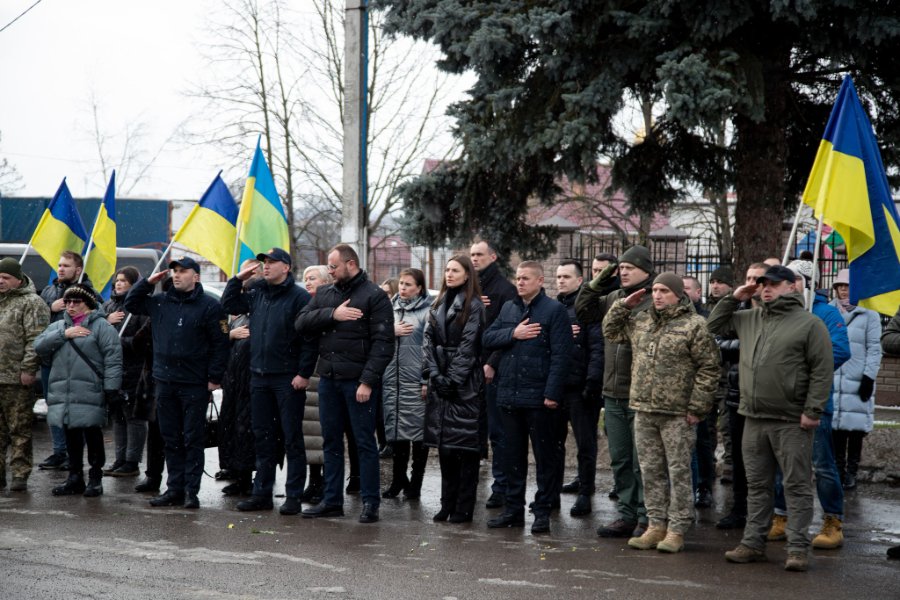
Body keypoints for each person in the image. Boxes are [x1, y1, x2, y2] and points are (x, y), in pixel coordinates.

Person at [709, 265, 833, 572]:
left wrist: (813, 410)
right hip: (754, 417)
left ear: (792, 286)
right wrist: (735, 297)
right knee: (757, 485)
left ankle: (797, 548)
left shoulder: (810, 324)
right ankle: (753, 543)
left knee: (796, 486)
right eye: (763, 283)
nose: (766, 288)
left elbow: (821, 370)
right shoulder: (750, 318)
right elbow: (713, 325)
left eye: (774, 284)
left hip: (791, 419)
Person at [604, 272, 719, 553]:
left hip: (677, 413)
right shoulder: (642, 321)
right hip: (644, 409)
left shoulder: (694, 325)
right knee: (650, 471)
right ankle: (655, 524)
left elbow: (709, 368)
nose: (657, 295)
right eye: (655, 290)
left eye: (664, 291)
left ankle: (677, 528)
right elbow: (610, 331)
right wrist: (623, 305)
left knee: (678, 471)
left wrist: (697, 407)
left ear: (678, 295)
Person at [295, 244, 394, 523]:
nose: (330, 271)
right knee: (331, 443)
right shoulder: (325, 294)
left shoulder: (374, 296)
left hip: (358, 383)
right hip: (329, 380)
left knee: (364, 443)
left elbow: (383, 344)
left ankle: (370, 503)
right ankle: (332, 501)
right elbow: (301, 322)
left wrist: (368, 381)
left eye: (334, 266)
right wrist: (332, 315)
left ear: (351, 264)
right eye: (328, 266)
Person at [125, 256, 229, 509]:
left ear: (196, 276)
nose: (177, 275)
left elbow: (220, 344)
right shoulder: (160, 302)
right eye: (175, 271)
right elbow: (131, 303)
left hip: (194, 383)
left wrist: (214, 378)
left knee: (192, 439)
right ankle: (174, 489)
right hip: (165, 382)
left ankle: (191, 491)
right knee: (170, 438)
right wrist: (147, 283)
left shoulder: (210, 306)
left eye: (183, 271)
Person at [223, 248, 317, 515]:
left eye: (272, 262)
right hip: (259, 376)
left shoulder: (299, 297)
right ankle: (262, 493)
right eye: (264, 262)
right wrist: (237, 279)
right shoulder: (257, 292)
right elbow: (230, 305)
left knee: (291, 438)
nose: (266, 265)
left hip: (287, 379)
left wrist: (303, 373)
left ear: (286, 267)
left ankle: (293, 496)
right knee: (262, 437)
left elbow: (309, 339)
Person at [764, 260, 850, 551]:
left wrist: (799, 368)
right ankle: (781, 515)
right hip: (781, 401)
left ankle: (832, 520)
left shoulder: (825, 313)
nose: (788, 285)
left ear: (807, 283)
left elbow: (840, 350)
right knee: (781, 463)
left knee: (821, 465)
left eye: (795, 279)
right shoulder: (776, 312)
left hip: (813, 402)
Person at [484, 261, 574, 534]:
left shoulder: (554, 310)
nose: (520, 282)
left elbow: (561, 355)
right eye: (518, 278)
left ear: (540, 281)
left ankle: (543, 511)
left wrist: (552, 393)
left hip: (539, 398)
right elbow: (488, 338)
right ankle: (513, 510)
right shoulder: (509, 308)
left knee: (545, 458)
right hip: (509, 395)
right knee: (512, 457)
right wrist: (513, 333)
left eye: (525, 278)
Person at [575, 245, 655, 538]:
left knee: (641, 460)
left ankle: (647, 516)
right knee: (620, 459)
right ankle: (627, 514)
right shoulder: (614, 297)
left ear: (645, 270)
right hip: (613, 391)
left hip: (640, 393)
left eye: (629, 268)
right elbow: (583, 310)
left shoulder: (655, 299)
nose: (623, 273)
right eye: (620, 268)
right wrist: (599, 279)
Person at [34, 284, 122, 497]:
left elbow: (113, 360)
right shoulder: (59, 326)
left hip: (90, 390)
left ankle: (95, 478)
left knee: (92, 434)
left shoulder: (102, 327)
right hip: (64, 391)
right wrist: (64, 334)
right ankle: (74, 478)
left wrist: (111, 389)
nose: (70, 306)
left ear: (88, 304)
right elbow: (39, 346)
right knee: (71, 436)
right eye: (67, 301)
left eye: (76, 302)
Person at [423, 255, 486, 523]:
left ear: (467, 274)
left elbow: (469, 346)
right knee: (445, 447)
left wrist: (452, 379)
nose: (449, 274)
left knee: (465, 448)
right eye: (447, 269)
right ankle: (446, 503)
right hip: (441, 379)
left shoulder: (474, 305)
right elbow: (427, 340)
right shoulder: (438, 302)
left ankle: (463, 506)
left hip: (465, 384)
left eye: (455, 270)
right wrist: (436, 375)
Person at [715, 262, 767, 530]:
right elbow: (713, 333)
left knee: (763, 460)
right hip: (737, 393)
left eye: (758, 279)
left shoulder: (774, 314)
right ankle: (739, 509)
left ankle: (767, 514)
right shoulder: (739, 312)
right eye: (748, 277)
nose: (752, 283)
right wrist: (733, 299)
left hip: (766, 398)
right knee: (738, 457)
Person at [37, 251, 97, 471]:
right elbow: (36, 320)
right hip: (50, 359)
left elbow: (97, 319)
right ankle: (59, 451)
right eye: (60, 265)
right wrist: (49, 307)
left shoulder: (88, 292)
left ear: (78, 270)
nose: (61, 269)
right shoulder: (49, 291)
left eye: (66, 266)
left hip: (75, 360)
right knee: (53, 405)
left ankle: (74, 456)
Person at [469, 240, 517, 509]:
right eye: (472, 255)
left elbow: (508, 331)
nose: (475, 259)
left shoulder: (504, 290)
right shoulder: (469, 288)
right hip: (468, 367)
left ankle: (501, 486)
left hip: (492, 370)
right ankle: (470, 483)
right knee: (471, 431)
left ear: (493, 257)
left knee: (498, 432)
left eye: (480, 254)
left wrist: (493, 363)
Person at [555, 259, 604, 517]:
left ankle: (586, 490)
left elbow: (597, 347)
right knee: (554, 443)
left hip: (581, 388)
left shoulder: (586, 308)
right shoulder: (554, 308)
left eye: (566, 276)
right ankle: (552, 492)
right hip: (557, 387)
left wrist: (592, 382)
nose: (561, 281)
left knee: (585, 443)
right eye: (558, 276)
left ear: (579, 280)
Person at [0, 258, 50, 492]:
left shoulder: (32, 302)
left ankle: (19, 474)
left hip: (16, 379)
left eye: (6, 277)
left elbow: (36, 340)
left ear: (18, 280)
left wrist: (29, 369)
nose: (1, 281)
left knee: (19, 429)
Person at [382, 268, 431, 500]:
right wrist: (389, 330)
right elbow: (376, 336)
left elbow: (430, 348)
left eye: (408, 284)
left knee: (419, 436)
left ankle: (416, 483)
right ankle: (398, 480)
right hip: (392, 381)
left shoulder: (428, 311)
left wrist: (426, 379)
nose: (402, 287)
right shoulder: (389, 309)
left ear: (419, 288)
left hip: (415, 382)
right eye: (401, 283)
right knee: (397, 434)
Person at [830, 269, 882, 491]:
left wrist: (869, 377)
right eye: (840, 286)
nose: (844, 290)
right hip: (834, 379)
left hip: (858, 379)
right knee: (837, 430)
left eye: (848, 286)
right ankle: (838, 471)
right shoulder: (829, 312)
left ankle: (852, 472)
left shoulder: (870, 315)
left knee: (856, 431)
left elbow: (874, 348)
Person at [217, 259, 261, 497]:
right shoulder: (236, 316)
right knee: (231, 428)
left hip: (251, 382)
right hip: (233, 382)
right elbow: (220, 331)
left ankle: (248, 476)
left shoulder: (259, 312)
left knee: (247, 431)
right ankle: (234, 469)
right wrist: (230, 335)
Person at [101, 266, 150, 477]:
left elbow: (144, 340)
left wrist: (119, 343)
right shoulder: (109, 306)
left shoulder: (140, 307)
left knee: (134, 417)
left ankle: (132, 461)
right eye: (117, 280)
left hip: (134, 370)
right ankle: (120, 458)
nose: (119, 284)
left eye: (124, 280)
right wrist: (105, 319)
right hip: (112, 370)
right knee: (118, 416)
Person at [298, 265, 333, 505]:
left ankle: (327, 484)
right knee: (308, 433)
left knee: (324, 431)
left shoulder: (331, 306)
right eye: (305, 279)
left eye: (313, 278)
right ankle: (314, 481)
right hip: (306, 374)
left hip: (324, 373)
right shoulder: (305, 306)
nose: (308, 282)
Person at [705, 265, 735, 485]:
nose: (715, 286)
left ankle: (729, 465)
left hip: (726, 377)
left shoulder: (736, 309)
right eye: (712, 282)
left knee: (727, 426)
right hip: (707, 378)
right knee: (706, 428)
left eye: (720, 282)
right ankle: (708, 465)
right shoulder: (705, 309)